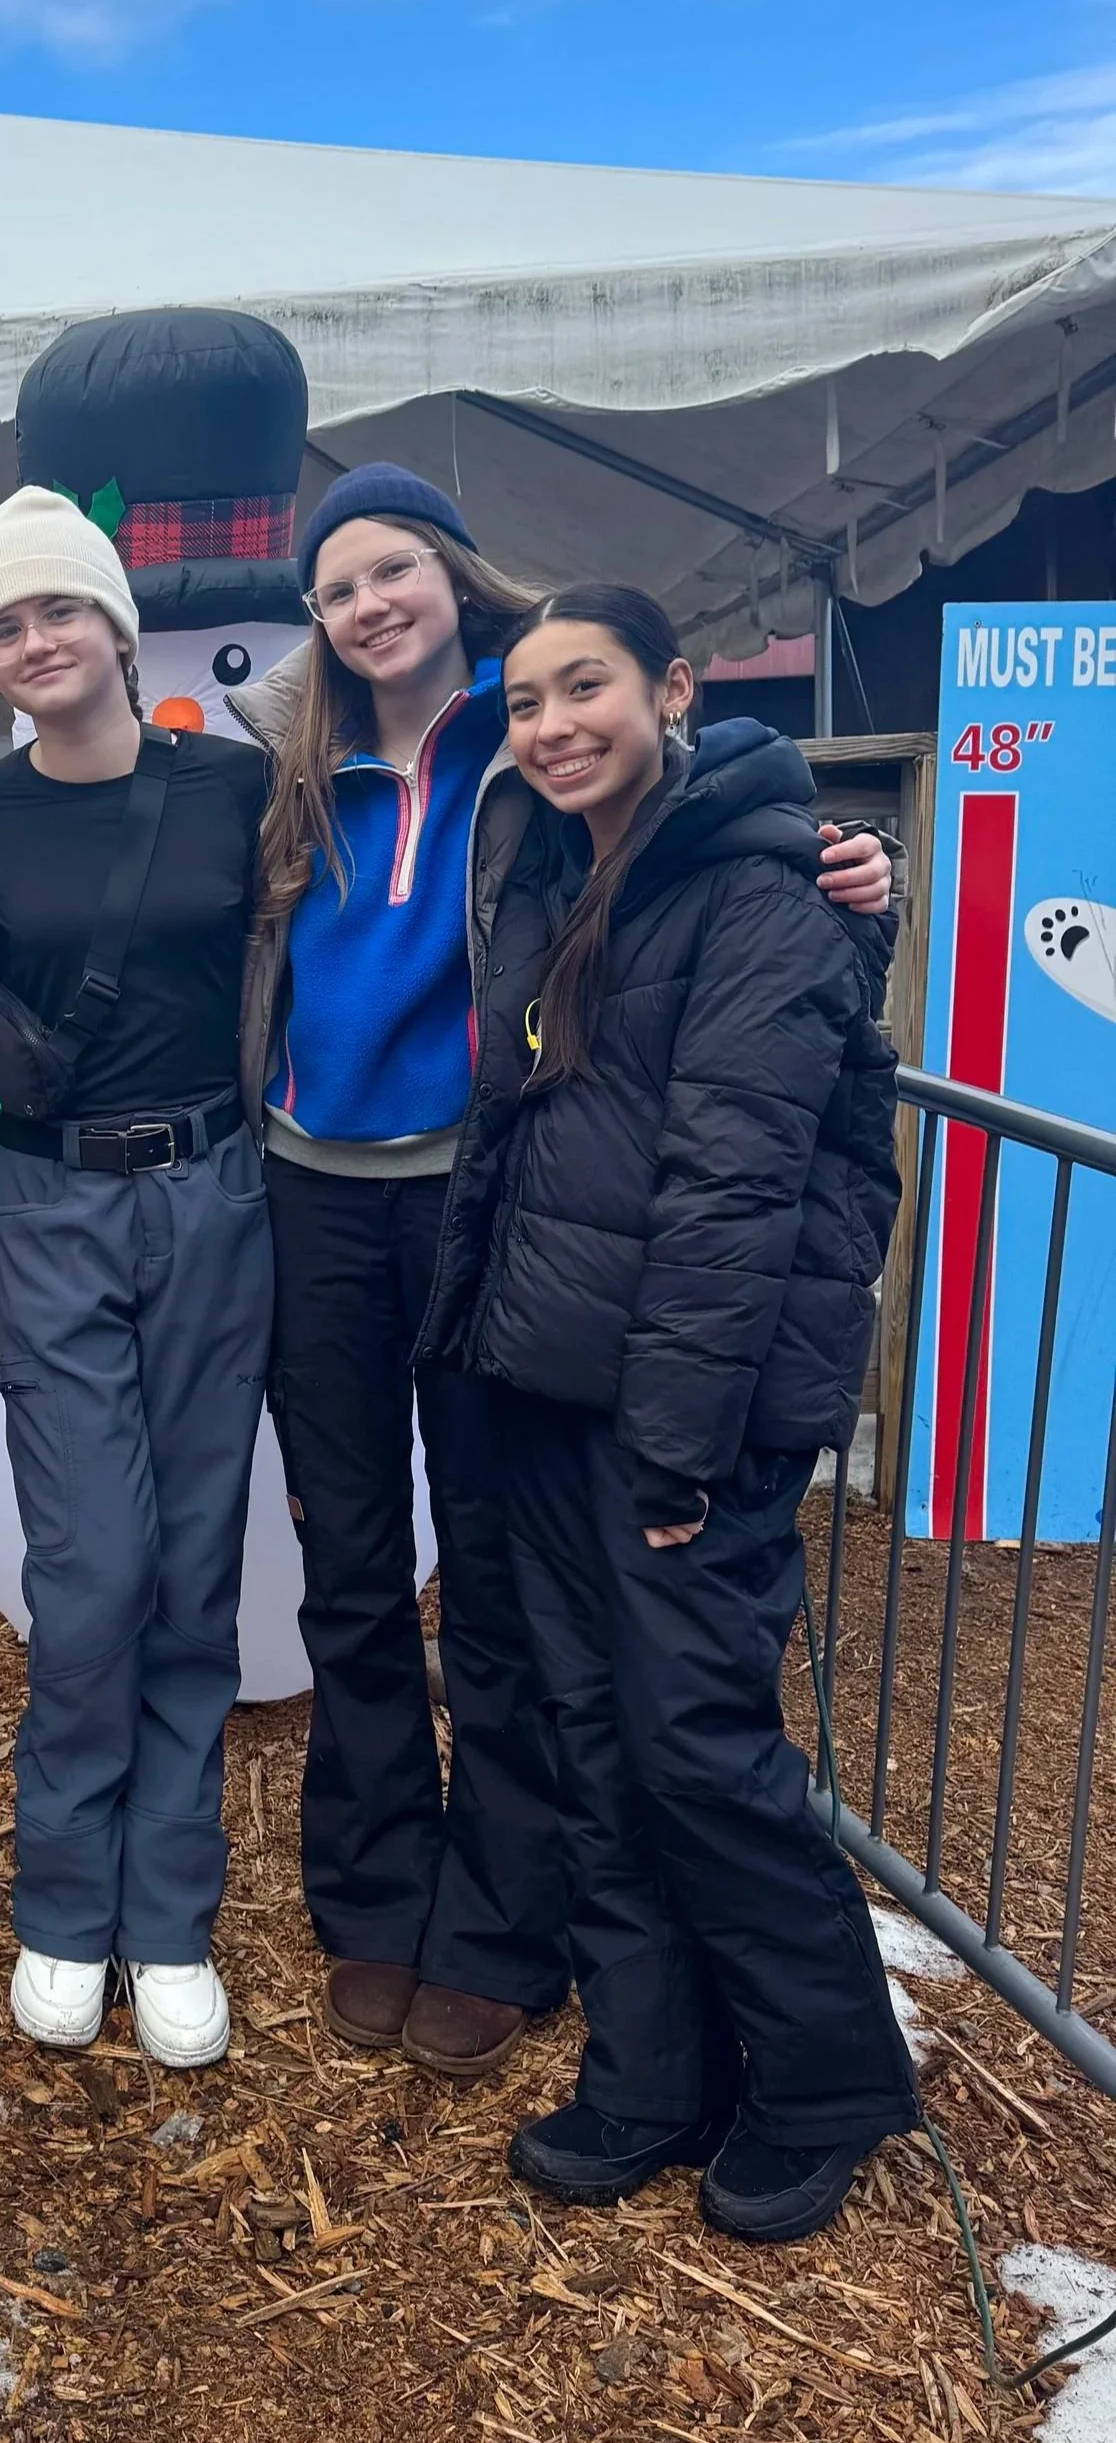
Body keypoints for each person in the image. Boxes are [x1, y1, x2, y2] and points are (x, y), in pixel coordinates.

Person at [229, 465, 895, 2077]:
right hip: (313, 1194)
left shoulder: (528, 734)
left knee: (499, 1572)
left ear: (454, 574)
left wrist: (853, 874)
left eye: (394, 568)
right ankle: (375, 1891)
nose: (370, 603)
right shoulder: (284, 764)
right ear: (315, 618)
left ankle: (501, 1918)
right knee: (349, 1560)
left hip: (484, 1195)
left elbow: (706, 814)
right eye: (337, 586)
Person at [415, 584, 920, 2240]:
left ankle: (826, 2081)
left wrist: (684, 1448)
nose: (553, 725)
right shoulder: (560, 871)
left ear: (674, 689)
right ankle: (655, 2068)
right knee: (596, 1741)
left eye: (587, 687)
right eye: (526, 701)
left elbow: (733, 1189)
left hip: (679, 1417)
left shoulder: (766, 890)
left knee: (700, 1750)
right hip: (554, 1389)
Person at [0, 489, 272, 2069]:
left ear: (118, 625)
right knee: (95, 1569)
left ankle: (171, 1914)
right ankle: (67, 1903)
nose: (36, 641)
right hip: (57, 1193)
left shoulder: (238, 783)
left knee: (199, 1559)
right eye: (6, 625)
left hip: (215, 1187)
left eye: (59, 608)